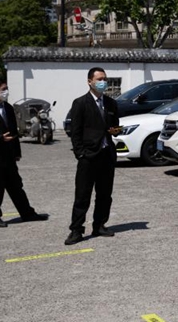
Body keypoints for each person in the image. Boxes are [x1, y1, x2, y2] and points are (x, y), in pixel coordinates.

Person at [0, 79, 49, 228]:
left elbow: (14, 132)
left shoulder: (8, 108)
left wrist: (17, 152)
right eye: (3, 89)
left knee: (16, 186)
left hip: (9, 156)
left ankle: (27, 213)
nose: (6, 92)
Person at [65, 67, 121, 245]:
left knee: (105, 194)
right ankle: (76, 230)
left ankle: (99, 225)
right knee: (82, 195)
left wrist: (115, 131)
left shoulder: (111, 103)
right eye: (99, 79)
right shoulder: (80, 103)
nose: (102, 82)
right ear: (90, 81)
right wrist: (80, 153)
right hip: (88, 156)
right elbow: (76, 132)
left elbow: (115, 126)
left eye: (104, 78)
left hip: (106, 154)